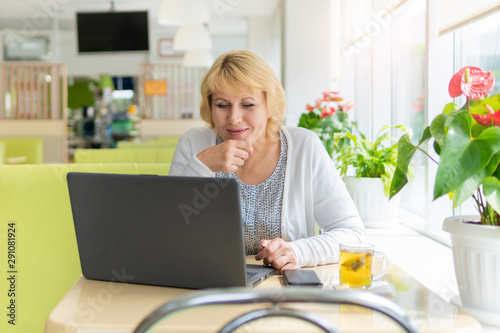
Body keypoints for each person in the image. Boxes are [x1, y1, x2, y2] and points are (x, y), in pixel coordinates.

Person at [169, 50, 365, 273]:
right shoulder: (194, 143)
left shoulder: (304, 146)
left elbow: (353, 235)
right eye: (222, 105)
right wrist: (201, 165)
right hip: (210, 286)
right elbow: (168, 234)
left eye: (248, 105)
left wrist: (297, 252)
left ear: (270, 105)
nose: (234, 118)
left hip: (283, 292)